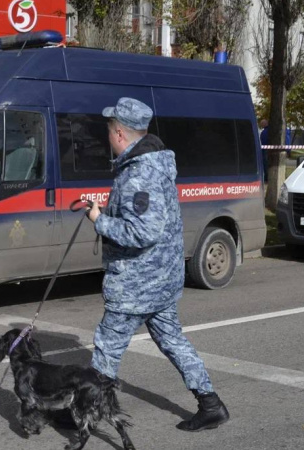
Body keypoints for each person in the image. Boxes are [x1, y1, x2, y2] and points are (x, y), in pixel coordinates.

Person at [86, 97, 229, 432]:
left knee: (107, 347)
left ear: (120, 133)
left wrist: (98, 220)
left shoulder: (139, 174)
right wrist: (106, 212)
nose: (108, 136)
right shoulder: (154, 165)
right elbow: (148, 221)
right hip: (161, 279)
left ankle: (88, 412)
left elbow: (142, 232)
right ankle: (211, 404)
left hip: (138, 283)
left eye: (110, 129)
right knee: (172, 341)